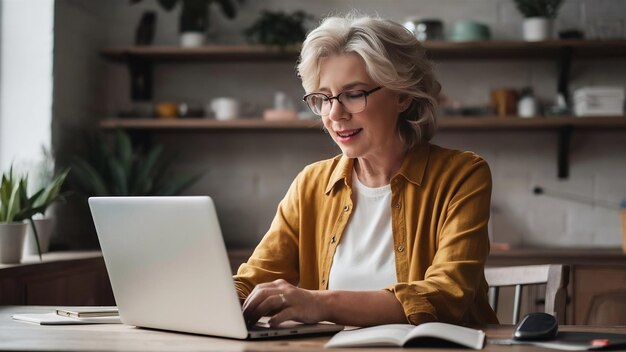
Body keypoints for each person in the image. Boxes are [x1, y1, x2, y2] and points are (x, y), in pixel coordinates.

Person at [234, 13, 499, 328]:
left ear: (402, 94)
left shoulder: (463, 175)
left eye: (353, 94)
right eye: (323, 98)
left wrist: (318, 303)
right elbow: (253, 280)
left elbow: (446, 295)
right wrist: (213, 299)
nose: (335, 114)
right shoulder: (311, 184)